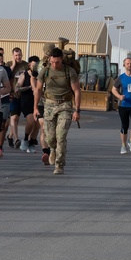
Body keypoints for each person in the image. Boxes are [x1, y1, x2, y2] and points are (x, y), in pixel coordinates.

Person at [32, 47, 82, 175]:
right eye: (52, 62)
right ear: (49, 60)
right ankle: (52, 150)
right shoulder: (45, 71)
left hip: (65, 105)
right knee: (50, 137)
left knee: (61, 135)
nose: (55, 64)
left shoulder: (69, 72)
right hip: (49, 105)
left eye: (57, 62)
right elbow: (37, 90)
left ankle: (59, 164)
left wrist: (77, 110)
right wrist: (35, 108)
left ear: (61, 59)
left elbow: (77, 91)